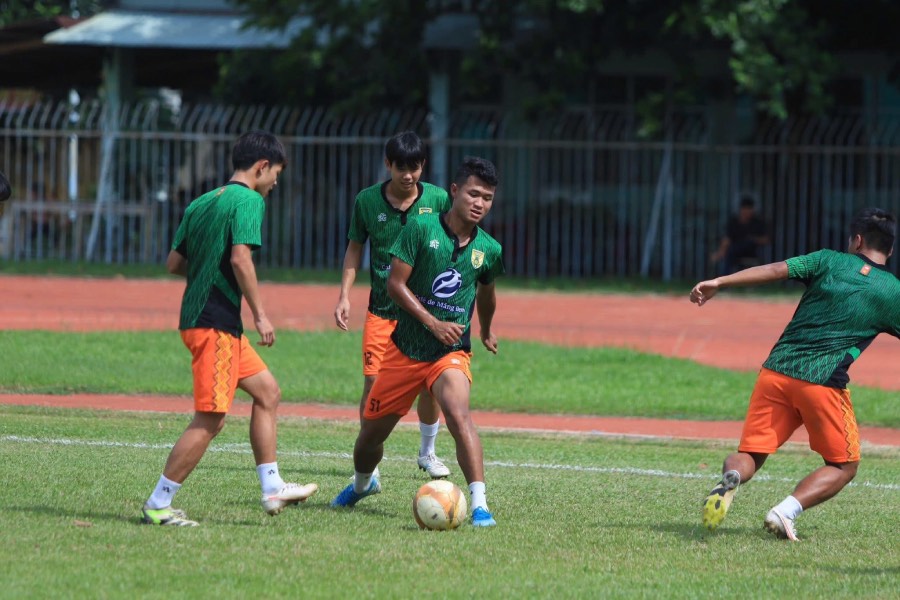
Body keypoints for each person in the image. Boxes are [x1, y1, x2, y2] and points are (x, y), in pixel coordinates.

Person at [141, 130, 318, 526]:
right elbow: (241, 259)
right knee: (212, 418)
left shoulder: (203, 201)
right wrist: (260, 313)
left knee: (267, 391)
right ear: (261, 167)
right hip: (215, 323)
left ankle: (272, 487)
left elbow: (174, 263)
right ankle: (158, 503)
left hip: (200, 320)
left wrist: (206, 268)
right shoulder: (250, 200)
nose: (276, 182)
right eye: (276, 174)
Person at [692, 207, 898, 541]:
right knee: (844, 465)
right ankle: (784, 511)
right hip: (821, 383)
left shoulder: (827, 260)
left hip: (775, 372)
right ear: (889, 249)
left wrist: (720, 281)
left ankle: (729, 478)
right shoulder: (892, 291)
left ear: (856, 240)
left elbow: (776, 269)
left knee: (750, 454)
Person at [330, 156, 504, 527]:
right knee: (369, 439)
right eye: (474, 194)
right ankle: (362, 484)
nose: (480, 203)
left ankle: (480, 505)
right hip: (404, 351)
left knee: (459, 415)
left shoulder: (488, 248)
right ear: (455, 192)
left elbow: (487, 293)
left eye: (488, 198)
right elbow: (395, 286)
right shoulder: (420, 229)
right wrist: (432, 321)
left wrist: (486, 328)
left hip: (449, 352)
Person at [334, 131, 453, 479]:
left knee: (429, 384)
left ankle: (428, 453)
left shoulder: (439, 199)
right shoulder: (367, 201)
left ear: (423, 166)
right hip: (382, 312)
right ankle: (368, 459)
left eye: (414, 167)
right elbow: (355, 248)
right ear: (388, 165)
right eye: (400, 167)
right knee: (373, 384)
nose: (408, 175)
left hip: (423, 315)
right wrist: (344, 294)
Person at [711, 195, 769, 275]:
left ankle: (725, 279)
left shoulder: (757, 223)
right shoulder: (734, 222)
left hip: (751, 250)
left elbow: (765, 240)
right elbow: (727, 239)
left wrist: (753, 239)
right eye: (744, 209)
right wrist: (721, 251)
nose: (746, 211)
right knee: (729, 252)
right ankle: (725, 279)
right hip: (734, 250)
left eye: (749, 209)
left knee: (740, 246)